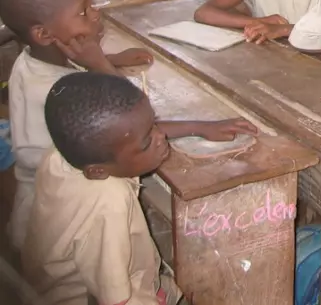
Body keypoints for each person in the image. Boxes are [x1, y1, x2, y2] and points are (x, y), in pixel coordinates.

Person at [22, 72, 256, 303]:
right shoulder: (110, 202)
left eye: (154, 124)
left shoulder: (63, 155)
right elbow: (115, 297)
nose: (160, 137)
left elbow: (129, 132)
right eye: (147, 143)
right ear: (98, 171)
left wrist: (199, 127)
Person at [2, 0, 154, 250]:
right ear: (44, 34)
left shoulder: (31, 59)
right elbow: (132, 115)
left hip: (36, 193)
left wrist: (109, 58)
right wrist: (100, 64)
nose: (95, 14)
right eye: (83, 12)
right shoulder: (58, 90)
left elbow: (65, 66)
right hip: (63, 212)